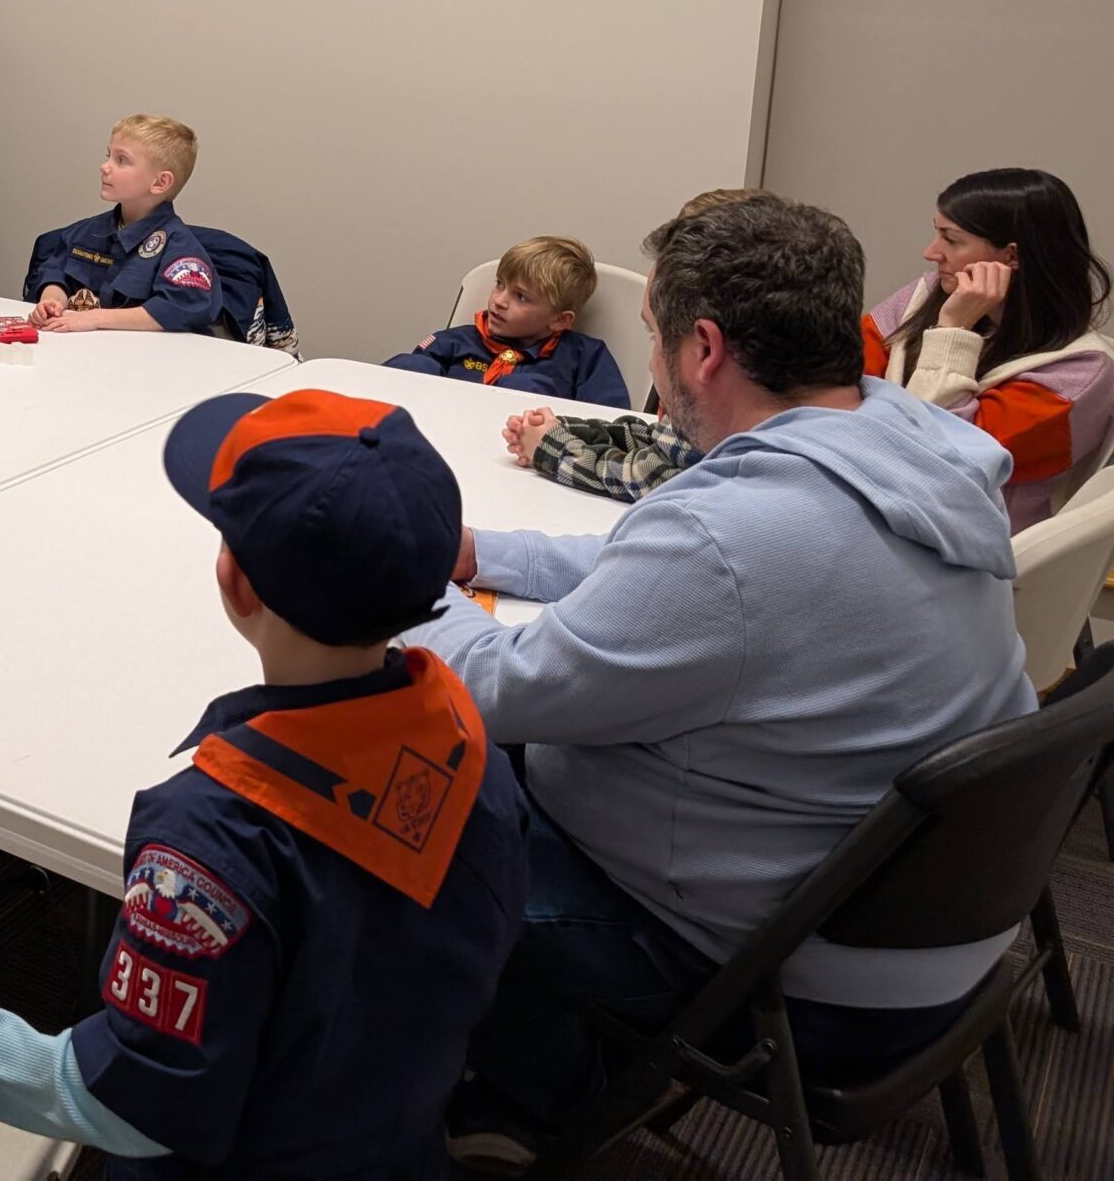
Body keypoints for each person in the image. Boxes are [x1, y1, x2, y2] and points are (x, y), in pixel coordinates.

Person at [415, 197, 1034, 1168]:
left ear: (701, 348)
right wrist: (481, 553)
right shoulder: (905, 444)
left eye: (654, 334)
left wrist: (398, 576)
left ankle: (516, 1110)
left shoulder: (732, 534)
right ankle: (535, 1076)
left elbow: (493, 686)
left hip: (796, 985)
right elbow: (658, 566)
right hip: (928, 930)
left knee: (401, 826)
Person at [0, 389, 525, 1177]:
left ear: (234, 581)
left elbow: (137, 1101)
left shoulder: (210, 846)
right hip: (394, 1138)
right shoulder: (469, 739)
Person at [862, 167, 1114, 531]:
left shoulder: (1080, 374)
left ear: (1011, 256)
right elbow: (837, 380)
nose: (931, 253)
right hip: (880, 512)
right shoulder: (924, 294)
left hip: (964, 548)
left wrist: (952, 330)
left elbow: (938, 462)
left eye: (951, 239)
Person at [498, 190, 785, 504]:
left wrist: (551, 447)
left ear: (705, 349)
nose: (652, 361)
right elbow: (659, 441)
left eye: (656, 335)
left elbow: (644, 476)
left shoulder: (718, 412)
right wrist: (568, 429)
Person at [22, 116, 229, 335]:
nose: (104, 167)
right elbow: (55, 271)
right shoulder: (85, 232)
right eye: (108, 156)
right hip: (79, 346)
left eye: (121, 160)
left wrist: (95, 318)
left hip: (144, 353)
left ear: (160, 182)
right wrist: (52, 300)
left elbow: (178, 309)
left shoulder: (181, 250)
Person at [385, 235, 630, 407]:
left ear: (559, 320)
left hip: (527, 456)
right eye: (500, 284)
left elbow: (608, 421)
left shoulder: (585, 357)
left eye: (521, 297)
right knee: (412, 366)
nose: (499, 301)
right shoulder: (454, 342)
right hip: (440, 437)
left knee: (524, 388)